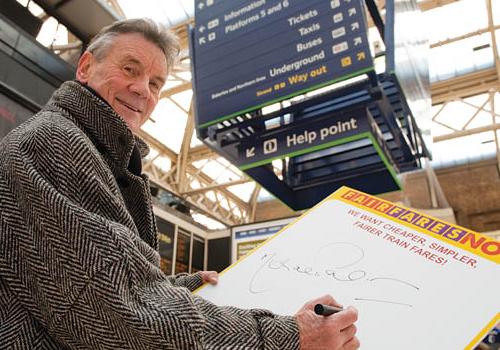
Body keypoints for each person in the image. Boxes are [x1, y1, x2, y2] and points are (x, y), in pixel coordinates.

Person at [0, 18, 359, 349]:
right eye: (129, 69)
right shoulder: (56, 142)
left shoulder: (101, 155)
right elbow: (118, 311)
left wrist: (178, 287)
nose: (142, 90)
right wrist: (289, 336)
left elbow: (83, 286)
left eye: (156, 83)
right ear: (85, 67)